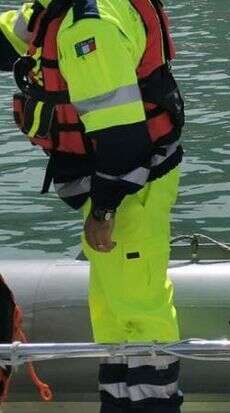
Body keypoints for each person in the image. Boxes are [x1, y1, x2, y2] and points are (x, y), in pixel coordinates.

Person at [0, 0, 185, 411]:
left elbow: (123, 139)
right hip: (109, 180)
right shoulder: (56, 7)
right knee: (111, 309)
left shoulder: (91, 28)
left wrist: (103, 212)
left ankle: (153, 404)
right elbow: (14, 33)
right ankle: (118, 402)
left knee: (138, 311)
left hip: (132, 188)